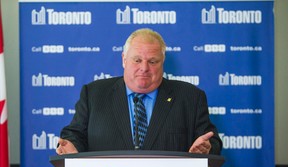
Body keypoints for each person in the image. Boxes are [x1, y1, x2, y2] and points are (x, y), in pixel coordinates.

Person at [56, 28, 222, 155]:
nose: (144, 68)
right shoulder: (94, 94)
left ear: (162, 62)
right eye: (137, 60)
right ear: (124, 60)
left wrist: (206, 148)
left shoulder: (190, 97)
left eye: (152, 61)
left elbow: (210, 140)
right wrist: (71, 146)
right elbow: (74, 135)